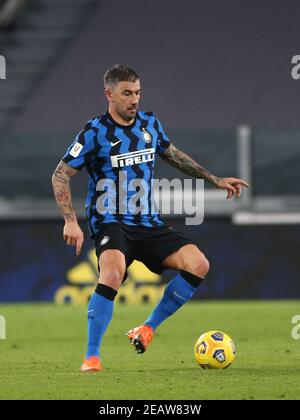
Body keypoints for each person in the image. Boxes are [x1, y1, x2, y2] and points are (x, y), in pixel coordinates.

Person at [52, 64, 249, 372]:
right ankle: (92, 357)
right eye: (127, 93)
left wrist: (215, 179)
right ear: (109, 94)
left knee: (199, 264)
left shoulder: (150, 124)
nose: (134, 100)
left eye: (138, 93)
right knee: (113, 273)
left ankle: (147, 328)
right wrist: (70, 220)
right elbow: (60, 176)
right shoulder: (94, 132)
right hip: (111, 222)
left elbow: (175, 155)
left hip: (148, 223)